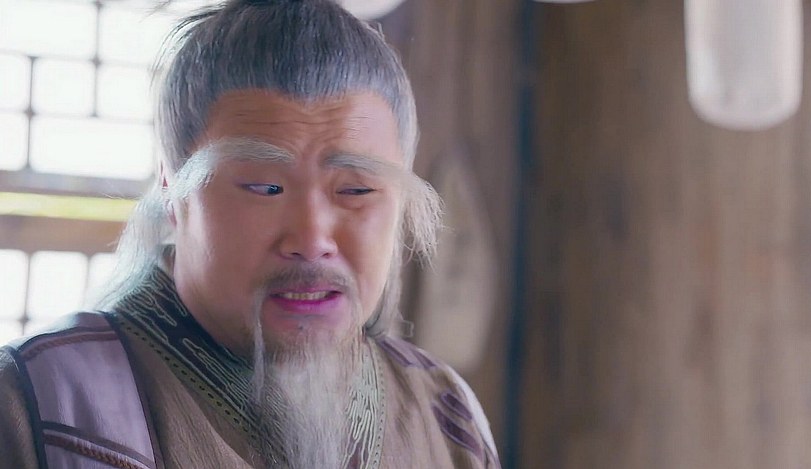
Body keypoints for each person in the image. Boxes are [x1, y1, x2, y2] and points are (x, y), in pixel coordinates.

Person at [0, 0, 500, 468]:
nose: (311, 239)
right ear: (173, 192)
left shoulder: (444, 412)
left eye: (356, 190)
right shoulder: (40, 399)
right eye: (264, 187)